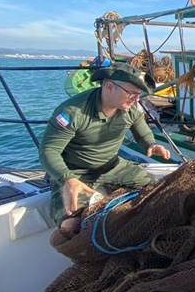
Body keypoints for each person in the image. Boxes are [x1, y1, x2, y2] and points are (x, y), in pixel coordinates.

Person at [40, 62, 171, 232]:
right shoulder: (73, 112)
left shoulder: (129, 109)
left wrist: (151, 144)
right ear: (109, 87)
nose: (137, 99)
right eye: (132, 93)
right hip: (75, 172)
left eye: (139, 94)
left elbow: (142, 131)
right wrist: (67, 179)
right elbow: (48, 150)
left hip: (113, 166)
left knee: (159, 190)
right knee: (73, 224)